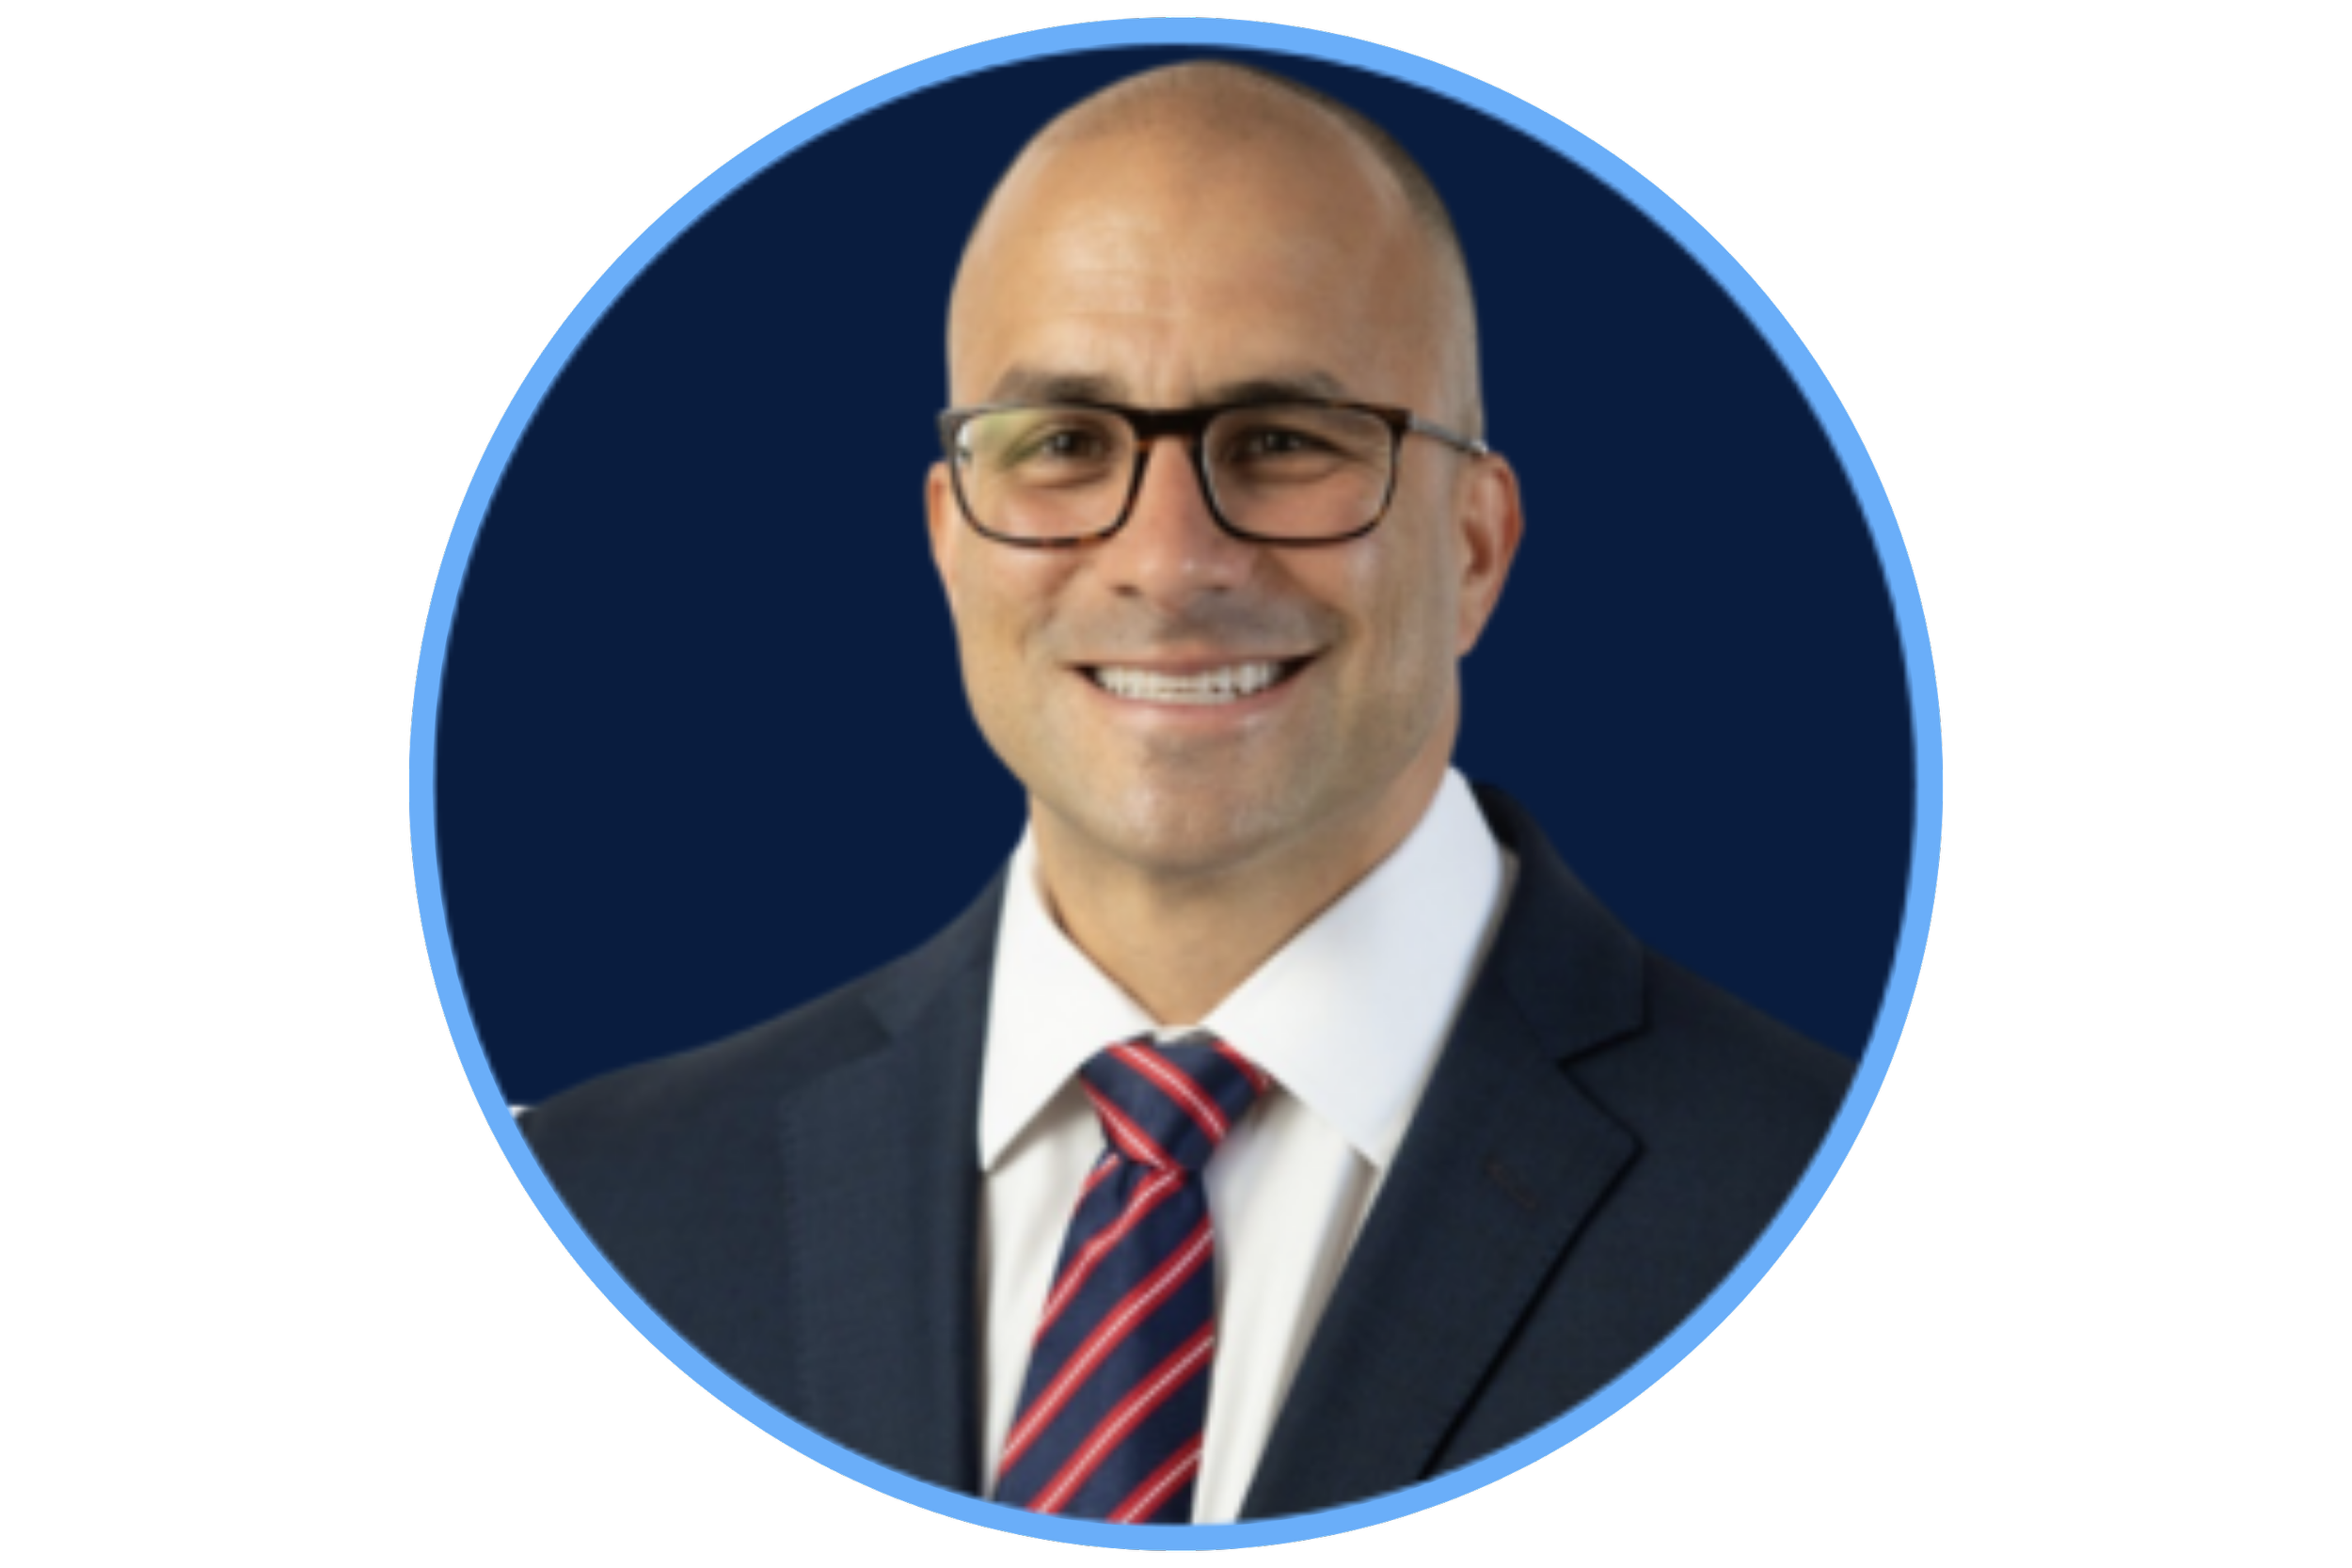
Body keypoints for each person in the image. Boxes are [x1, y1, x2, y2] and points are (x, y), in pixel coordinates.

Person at [520, 59, 1853, 1526]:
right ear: (951, 543)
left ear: (1473, 547)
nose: (1167, 560)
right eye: (1064, 445)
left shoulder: (1812, 1194)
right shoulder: (599, 1205)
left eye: (1284, 439)